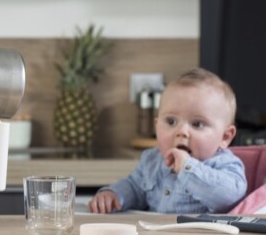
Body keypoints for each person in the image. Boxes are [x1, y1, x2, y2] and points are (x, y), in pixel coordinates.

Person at [89, 68, 247, 214]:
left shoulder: (224, 164)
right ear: (156, 127)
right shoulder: (151, 160)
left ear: (225, 137)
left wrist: (188, 168)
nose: (181, 132)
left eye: (197, 124)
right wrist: (113, 194)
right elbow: (134, 187)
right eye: (171, 121)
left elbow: (229, 195)